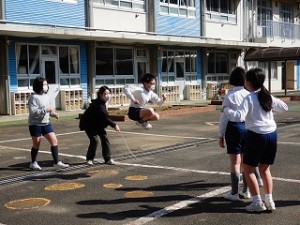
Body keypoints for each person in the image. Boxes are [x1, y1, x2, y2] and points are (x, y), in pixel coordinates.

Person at [222, 68, 288, 212]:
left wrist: (226, 109)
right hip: (272, 134)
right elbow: (284, 107)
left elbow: (238, 116)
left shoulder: (249, 98)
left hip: (256, 135)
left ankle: (257, 202)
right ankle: (269, 200)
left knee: (248, 169)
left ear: (249, 82)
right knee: (265, 169)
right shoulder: (266, 96)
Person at [218, 67, 250, 201]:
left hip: (234, 128)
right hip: (249, 128)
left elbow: (224, 117)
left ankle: (234, 193)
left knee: (235, 162)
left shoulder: (230, 95)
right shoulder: (249, 94)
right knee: (246, 162)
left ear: (232, 80)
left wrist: (221, 134)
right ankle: (247, 191)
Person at [28, 77, 69, 171]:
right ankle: (33, 162)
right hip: (35, 124)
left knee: (54, 141)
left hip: (46, 123)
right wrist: (46, 110)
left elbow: (49, 110)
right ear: (38, 86)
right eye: (44, 84)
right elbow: (33, 111)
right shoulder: (33, 97)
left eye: (46, 84)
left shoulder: (46, 96)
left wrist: (54, 114)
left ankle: (56, 162)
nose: (46, 86)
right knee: (36, 144)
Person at [79, 86, 120, 165]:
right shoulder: (98, 104)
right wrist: (114, 125)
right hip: (89, 125)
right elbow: (105, 117)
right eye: (105, 94)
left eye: (108, 93)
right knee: (94, 140)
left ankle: (107, 158)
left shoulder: (104, 102)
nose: (107, 95)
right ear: (100, 95)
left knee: (105, 139)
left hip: (98, 125)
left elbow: (105, 117)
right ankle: (89, 159)